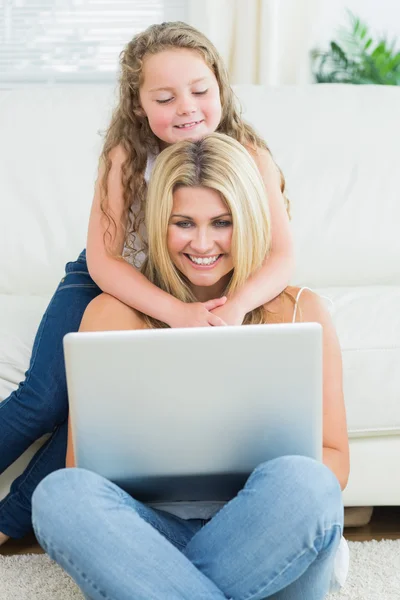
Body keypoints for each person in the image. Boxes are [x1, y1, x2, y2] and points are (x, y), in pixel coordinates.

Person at [0, 21, 294, 545]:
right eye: (165, 97)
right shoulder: (125, 156)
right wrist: (179, 316)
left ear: (220, 90)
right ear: (139, 106)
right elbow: (104, 261)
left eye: (200, 91)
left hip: (190, 285)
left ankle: (7, 522)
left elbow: (281, 254)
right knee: (43, 399)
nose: (187, 107)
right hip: (107, 281)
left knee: (94, 412)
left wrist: (234, 307)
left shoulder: (248, 154)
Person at [32, 134, 350, 600]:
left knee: (309, 485)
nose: (203, 243)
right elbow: (83, 467)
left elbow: (335, 464)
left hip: (265, 534)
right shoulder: (109, 316)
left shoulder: (303, 312)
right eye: (184, 222)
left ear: (251, 221)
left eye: (222, 222)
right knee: (59, 496)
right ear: (160, 224)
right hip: (152, 538)